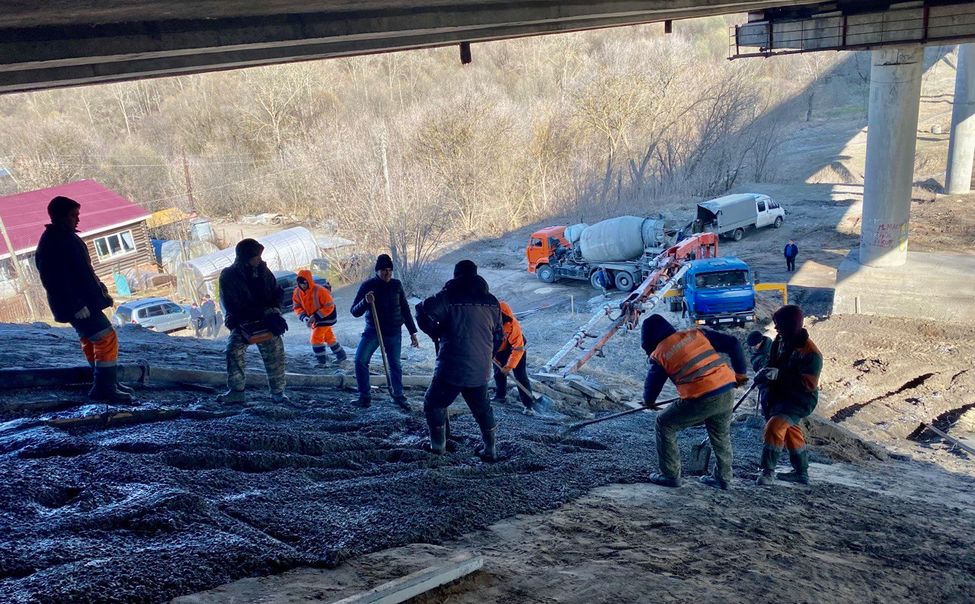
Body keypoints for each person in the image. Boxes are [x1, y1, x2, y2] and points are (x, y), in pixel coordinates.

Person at [34, 196, 133, 402]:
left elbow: (83, 272)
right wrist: (75, 305)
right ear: (59, 216)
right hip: (78, 305)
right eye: (73, 215)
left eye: (77, 214)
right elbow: (53, 280)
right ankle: (104, 388)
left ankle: (106, 383)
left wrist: (101, 291)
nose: (77, 219)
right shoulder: (54, 242)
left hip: (84, 303)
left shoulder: (65, 237)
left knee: (90, 340)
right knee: (106, 338)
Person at [641, 314, 748, 490]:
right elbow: (733, 343)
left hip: (702, 398)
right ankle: (723, 478)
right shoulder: (696, 334)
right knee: (720, 434)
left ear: (649, 341)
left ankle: (670, 475)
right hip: (727, 390)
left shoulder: (660, 353)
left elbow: (653, 383)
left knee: (664, 423)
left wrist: (649, 401)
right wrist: (741, 373)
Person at [416, 260, 503, 461]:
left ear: (456, 275)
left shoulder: (448, 296)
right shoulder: (492, 301)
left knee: (433, 404)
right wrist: (487, 356)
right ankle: (490, 450)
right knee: (483, 409)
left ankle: (438, 447)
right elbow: (499, 336)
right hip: (480, 368)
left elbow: (422, 311)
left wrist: (435, 331)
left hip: (451, 366)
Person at [754, 305, 823, 486]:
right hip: (781, 395)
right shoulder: (780, 340)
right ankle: (801, 473)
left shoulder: (811, 353)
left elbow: (808, 384)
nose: (776, 328)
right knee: (791, 432)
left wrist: (779, 375)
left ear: (790, 325)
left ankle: (767, 471)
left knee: (774, 427)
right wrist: (764, 372)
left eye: (779, 324)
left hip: (799, 400)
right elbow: (772, 361)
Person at [217, 239, 290, 404]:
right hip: (242, 323)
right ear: (245, 257)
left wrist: (275, 310)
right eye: (255, 256)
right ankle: (236, 391)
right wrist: (264, 312)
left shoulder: (263, 271)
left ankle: (278, 393)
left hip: (266, 321)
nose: (259, 259)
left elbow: (276, 292)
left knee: (275, 353)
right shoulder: (229, 275)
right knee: (233, 352)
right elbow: (233, 305)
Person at [350, 254, 419, 410]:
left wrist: (412, 332)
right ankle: (364, 396)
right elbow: (354, 311)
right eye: (383, 270)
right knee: (360, 360)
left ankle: (398, 396)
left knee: (395, 365)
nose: (387, 273)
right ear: (377, 271)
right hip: (373, 331)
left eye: (389, 270)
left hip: (394, 332)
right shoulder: (368, 286)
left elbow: (405, 309)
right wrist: (365, 301)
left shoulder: (396, 285)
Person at [292, 269, 346, 367]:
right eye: (300, 283)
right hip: (314, 318)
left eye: (304, 283)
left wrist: (315, 316)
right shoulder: (297, 292)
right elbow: (297, 307)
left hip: (327, 316)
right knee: (329, 337)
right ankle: (341, 355)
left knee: (316, 339)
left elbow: (329, 306)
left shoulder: (320, 290)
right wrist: (304, 317)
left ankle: (321, 363)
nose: (303, 285)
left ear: (309, 281)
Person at [493, 300, 537, 415]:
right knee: (498, 374)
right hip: (499, 350)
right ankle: (500, 397)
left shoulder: (513, 324)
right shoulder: (488, 322)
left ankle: (528, 405)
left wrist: (509, 366)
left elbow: (518, 348)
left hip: (516, 349)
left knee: (520, 376)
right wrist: (493, 357)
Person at [746, 330, 773, 419]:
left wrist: (761, 376)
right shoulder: (755, 350)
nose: (754, 347)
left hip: (770, 381)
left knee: (767, 402)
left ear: (761, 341)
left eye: (755, 345)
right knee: (764, 402)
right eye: (752, 346)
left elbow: (769, 368)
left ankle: (769, 420)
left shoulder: (769, 350)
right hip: (761, 379)